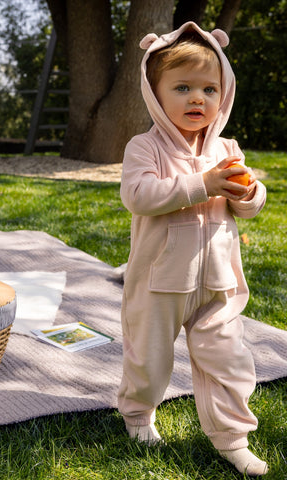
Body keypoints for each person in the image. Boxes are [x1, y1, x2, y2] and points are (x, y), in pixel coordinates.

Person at [117, 21, 268, 477]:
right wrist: (203, 183)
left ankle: (233, 439)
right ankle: (139, 414)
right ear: (155, 95)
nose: (197, 98)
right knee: (149, 358)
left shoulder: (227, 148)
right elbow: (139, 196)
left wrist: (248, 193)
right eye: (182, 87)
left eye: (209, 88)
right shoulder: (144, 147)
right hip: (159, 283)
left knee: (229, 360)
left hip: (218, 280)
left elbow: (250, 206)